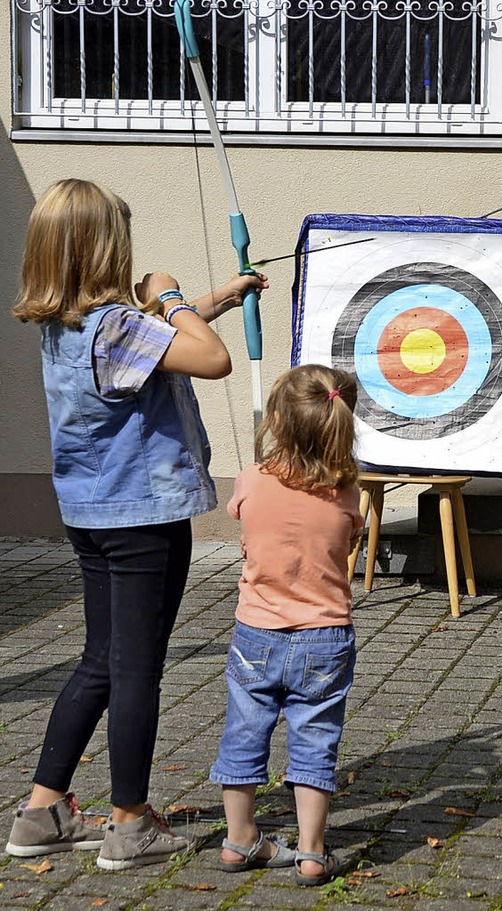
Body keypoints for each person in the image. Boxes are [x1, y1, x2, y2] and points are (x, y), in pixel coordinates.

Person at [5, 177, 268, 871]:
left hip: (94, 516)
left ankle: (42, 811)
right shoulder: (121, 327)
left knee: (100, 659)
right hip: (142, 521)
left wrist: (216, 296)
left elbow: (159, 334)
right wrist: (178, 297)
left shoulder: (68, 324)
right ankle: (129, 824)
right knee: (135, 669)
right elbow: (209, 357)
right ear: (100, 250)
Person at [210, 363, 364, 887]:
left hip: (256, 631)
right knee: (315, 738)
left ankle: (238, 840)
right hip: (324, 635)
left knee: (244, 731)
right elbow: (351, 539)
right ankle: (313, 851)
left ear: (277, 419)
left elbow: (240, 513)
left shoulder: (253, 479)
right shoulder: (347, 491)